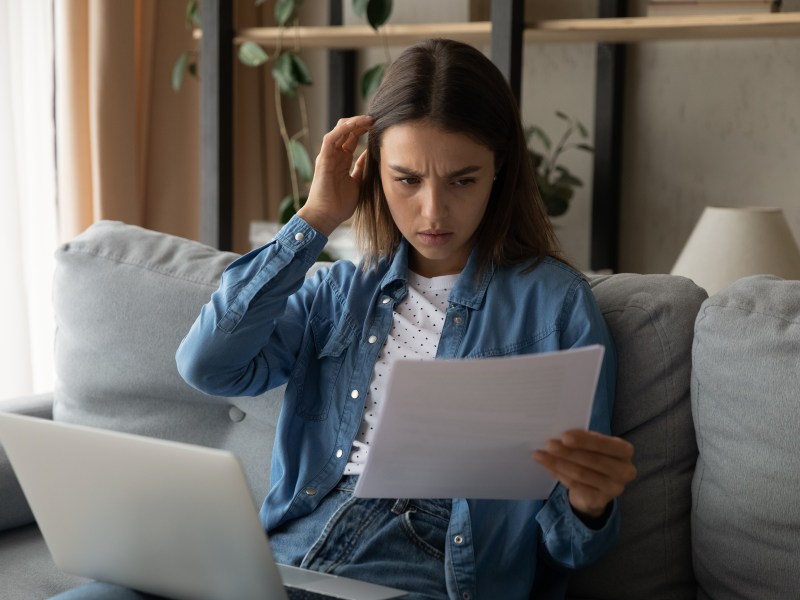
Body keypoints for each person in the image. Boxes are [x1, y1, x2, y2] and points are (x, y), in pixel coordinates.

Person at [53, 38, 635, 600]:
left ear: (499, 172)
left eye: (463, 180)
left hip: (427, 565)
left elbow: (572, 548)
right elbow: (208, 365)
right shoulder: (335, 293)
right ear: (373, 171)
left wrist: (588, 502)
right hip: (290, 551)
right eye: (407, 179)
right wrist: (316, 218)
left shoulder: (555, 304)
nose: (434, 210)